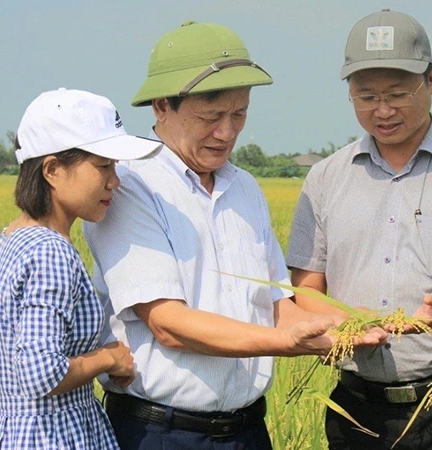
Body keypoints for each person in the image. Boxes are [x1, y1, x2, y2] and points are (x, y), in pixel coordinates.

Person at [82, 21, 386, 450]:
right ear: (161, 106)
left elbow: (279, 307)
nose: (227, 132)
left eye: (239, 114)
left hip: (247, 431)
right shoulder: (130, 185)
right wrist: (286, 344)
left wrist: (343, 326)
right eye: (210, 117)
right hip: (161, 433)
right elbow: (169, 324)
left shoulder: (243, 187)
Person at [287, 9, 432, 450]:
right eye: (366, 96)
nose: (383, 110)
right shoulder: (324, 178)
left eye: (398, 93)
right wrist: (346, 324)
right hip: (356, 407)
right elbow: (307, 289)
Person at [0, 88, 162, 449]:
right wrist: (108, 358)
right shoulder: (51, 252)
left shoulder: (11, 238)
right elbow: (41, 373)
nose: (114, 181)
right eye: (103, 166)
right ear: (53, 170)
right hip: (53, 436)